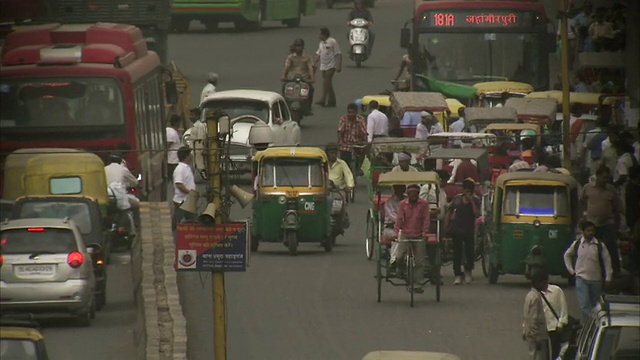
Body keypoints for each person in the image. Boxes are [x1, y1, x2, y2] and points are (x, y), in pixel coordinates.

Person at [564, 220, 613, 321]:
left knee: (595, 306)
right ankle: (586, 326)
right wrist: (571, 270)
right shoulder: (577, 244)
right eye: (588, 230)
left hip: (596, 280)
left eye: (592, 230)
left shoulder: (599, 245)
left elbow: (607, 261)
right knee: (584, 306)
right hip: (581, 278)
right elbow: (567, 255)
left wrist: (608, 277)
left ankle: (594, 325)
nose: (590, 232)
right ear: (582, 232)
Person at [580, 166, 622, 276]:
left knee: (610, 247)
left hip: (608, 223)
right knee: (592, 248)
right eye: (603, 178)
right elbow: (582, 202)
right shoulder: (587, 188)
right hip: (592, 223)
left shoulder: (611, 190)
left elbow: (617, 208)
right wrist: (583, 216)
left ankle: (615, 272)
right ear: (597, 176)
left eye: (607, 178)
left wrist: (617, 225)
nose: (605, 180)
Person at [394, 184, 431, 294]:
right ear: (408, 194)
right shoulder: (403, 204)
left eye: (415, 193)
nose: (413, 195)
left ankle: (418, 284)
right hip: (405, 233)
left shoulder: (423, 204)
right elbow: (399, 218)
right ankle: (400, 270)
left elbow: (426, 219)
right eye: (411, 193)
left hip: (419, 234)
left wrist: (424, 232)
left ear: (418, 194)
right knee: (399, 255)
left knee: (420, 261)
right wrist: (396, 232)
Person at [445, 178, 480, 285]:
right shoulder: (457, 199)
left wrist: (472, 202)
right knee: (457, 252)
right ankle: (457, 274)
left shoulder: (476, 200)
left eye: (470, 190)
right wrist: (446, 225)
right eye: (466, 190)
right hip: (457, 229)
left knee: (470, 251)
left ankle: (468, 271)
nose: (468, 192)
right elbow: (449, 211)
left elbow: (477, 214)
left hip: (469, 230)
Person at [538, 272, 569, 360]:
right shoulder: (535, 294)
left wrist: (561, 324)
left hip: (554, 326)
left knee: (556, 350)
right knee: (543, 351)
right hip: (542, 327)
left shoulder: (557, 291)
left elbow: (563, 308)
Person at [523, 269, 551, 360]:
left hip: (530, 333)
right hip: (536, 336)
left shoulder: (530, 295)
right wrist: (537, 337)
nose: (546, 285)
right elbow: (533, 318)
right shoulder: (535, 298)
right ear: (538, 283)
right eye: (545, 283)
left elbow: (526, 316)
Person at [281, 38, 315, 113]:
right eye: (296, 46)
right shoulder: (290, 57)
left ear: (303, 47)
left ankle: (308, 107)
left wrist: (312, 78)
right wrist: (283, 76)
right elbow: (286, 67)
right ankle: (285, 107)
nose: (298, 48)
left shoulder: (307, 57)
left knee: (311, 89)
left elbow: (310, 68)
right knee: (284, 88)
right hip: (292, 79)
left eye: (300, 46)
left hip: (304, 79)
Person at [314, 27, 342, 108]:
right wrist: (313, 63)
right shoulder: (321, 43)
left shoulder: (332, 42)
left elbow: (338, 54)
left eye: (320, 33)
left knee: (326, 82)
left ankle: (323, 99)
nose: (318, 35)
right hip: (323, 66)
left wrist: (338, 65)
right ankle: (332, 101)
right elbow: (318, 54)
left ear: (324, 34)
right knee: (328, 84)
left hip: (331, 65)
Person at [337, 103, 368, 175]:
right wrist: (340, 142)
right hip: (346, 145)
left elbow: (364, 133)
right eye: (349, 112)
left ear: (356, 113)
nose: (350, 114)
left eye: (352, 113)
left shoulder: (360, 120)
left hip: (357, 144)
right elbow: (340, 132)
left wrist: (365, 143)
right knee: (344, 162)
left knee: (362, 154)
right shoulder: (343, 119)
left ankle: (359, 168)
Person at [172, 146, 197, 231]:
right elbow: (179, 184)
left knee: (192, 220)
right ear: (186, 156)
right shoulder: (180, 169)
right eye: (190, 154)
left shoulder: (187, 168)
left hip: (187, 200)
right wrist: (190, 192)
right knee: (178, 221)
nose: (192, 156)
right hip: (182, 201)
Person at [385, 184, 406, 275]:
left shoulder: (408, 200)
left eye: (402, 188)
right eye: (398, 188)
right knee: (399, 235)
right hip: (391, 228)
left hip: (407, 227)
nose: (400, 190)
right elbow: (394, 218)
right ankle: (394, 260)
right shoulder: (389, 203)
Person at [166, 114, 182, 179]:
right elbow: (167, 146)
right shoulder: (172, 133)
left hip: (172, 161)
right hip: (173, 161)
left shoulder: (169, 130)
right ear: (177, 123)